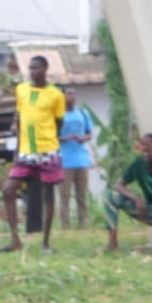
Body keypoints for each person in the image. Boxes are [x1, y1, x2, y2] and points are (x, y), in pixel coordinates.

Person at [3, 53, 68, 253]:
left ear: (45, 69)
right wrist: (17, 150)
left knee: (48, 194)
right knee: (8, 190)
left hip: (47, 150)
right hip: (25, 152)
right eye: (30, 68)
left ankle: (45, 243)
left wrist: (48, 140)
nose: (32, 71)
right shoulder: (21, 90)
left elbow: (59, 123)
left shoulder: (56, 94)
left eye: (36, 68)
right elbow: (20, 118)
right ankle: (15, 239)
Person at [102, 131, 152, 253]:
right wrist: (136, 198)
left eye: (149, 147)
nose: (145, 150)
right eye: (143, 148)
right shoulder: (139, 163)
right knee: (110, 195)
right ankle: (113, 244)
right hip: (148, 211)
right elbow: (119, 185)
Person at [55, 90, 97, 231]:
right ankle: (65, 226)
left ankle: (83, 224)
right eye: (69, 94)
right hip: (65, 160)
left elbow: (89, 133)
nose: (73, 97)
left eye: (74, 94)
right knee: (64, 195)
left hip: (81, 159)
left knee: (82, 194)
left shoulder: (83, 113)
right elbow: (53, 136)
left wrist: (82, 138)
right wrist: (68, 138)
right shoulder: (58, 115)